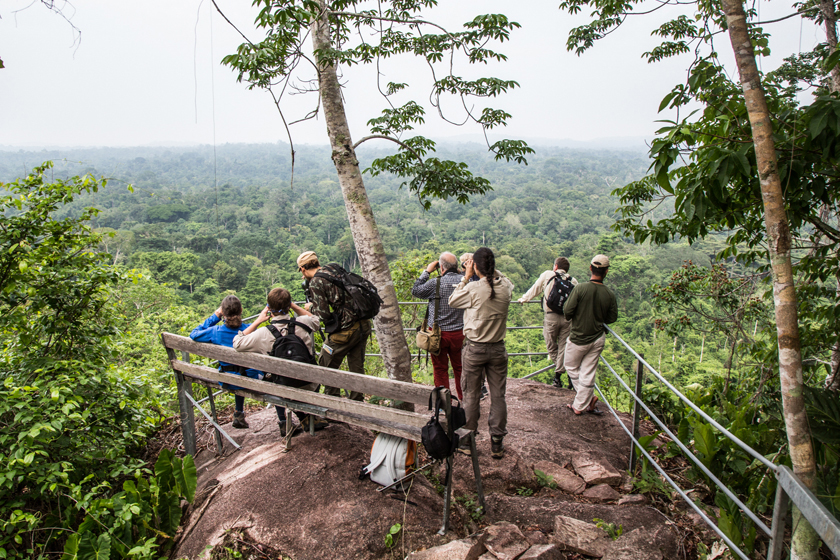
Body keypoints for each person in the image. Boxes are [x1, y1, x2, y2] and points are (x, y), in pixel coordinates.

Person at [232, 288, 328, 437]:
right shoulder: (304, 322)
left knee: (278, 379)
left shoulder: (263, 333)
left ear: (269, 309)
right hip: (311, 385)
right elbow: (316, 320)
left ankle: (304, 418)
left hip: (283, 390)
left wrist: (258, 320)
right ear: (289, 306)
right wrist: (295, 306)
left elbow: (237, 343)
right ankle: (307, 417)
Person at [449, 247, 514, 459]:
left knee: (471, 394)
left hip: (475, 349)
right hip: (497, 349)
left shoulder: (474, 288)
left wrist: (466, 277)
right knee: (498, 396)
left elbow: (453, 301)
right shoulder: (505, 287)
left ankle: (467, 441)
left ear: (475, 266)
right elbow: (505, 281)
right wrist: (489, 269)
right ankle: (497, 442)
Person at [297, 251, 371, 401]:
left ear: (303, 269)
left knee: (326, 363)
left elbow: (322, 315)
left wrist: (310, 307)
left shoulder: (317, 281)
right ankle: (357, 402)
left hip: (347, 330)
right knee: (356, 367)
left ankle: (333, 402)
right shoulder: (333, 269)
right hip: (363, 324)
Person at [190, 295, 261, 429]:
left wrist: (215, 316)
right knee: (250, 372)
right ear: (241, 310)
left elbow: (194, 333)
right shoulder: (251, 330)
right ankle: (282, 420)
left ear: (223, 312)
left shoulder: (215, 332)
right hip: (249, 379)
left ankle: (239, 414)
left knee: (237, 373)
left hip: (226, 379)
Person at [563, 254, 619, 416]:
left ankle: (582, 403)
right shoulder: (608, 293)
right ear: (606, 272)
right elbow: (612, 318)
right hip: (598, 337)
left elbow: (567, 311)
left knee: (571, 366)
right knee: (588, 370)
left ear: (590, 268)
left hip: (578, 337)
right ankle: (583, 403)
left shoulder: (580, 288)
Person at [411, 252, 465, 400]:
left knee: (440, 369)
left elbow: (416, 290)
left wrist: (427, 272)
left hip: (438, 334)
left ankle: (443, 404)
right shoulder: (465, 280)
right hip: (460, 332)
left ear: (441, 267)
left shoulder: (436, 283)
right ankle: (464, 399)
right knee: (460, 368)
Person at [518, 257, 578, 389]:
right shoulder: (573, 281)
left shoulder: (548, 275)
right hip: (567, 318)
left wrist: (524, 299)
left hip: (550, 316)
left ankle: (558, 375)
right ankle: (566, 375)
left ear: (555, 266)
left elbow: (535, 289)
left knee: (551, 345)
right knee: (564, 347)